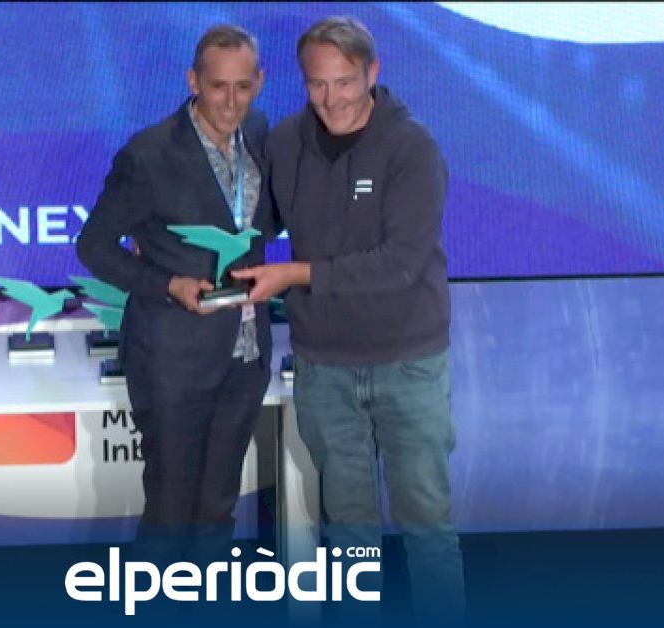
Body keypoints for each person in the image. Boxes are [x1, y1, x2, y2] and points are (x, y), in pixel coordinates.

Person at [232, 15, 465, 624]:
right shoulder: (286, 142)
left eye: (344, 82)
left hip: (407, 363)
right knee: (348, 531)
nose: (331, 98)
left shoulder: (412, 149)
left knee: (426, 524)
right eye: (317, 84)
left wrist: (296, 274)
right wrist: (179, 250)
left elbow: (400, 263)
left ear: (372, 74)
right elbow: (255, 227)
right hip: (325, 366)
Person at [75, 24, 275, 571]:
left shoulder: (261, 135)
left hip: (245, 356)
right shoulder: (149, 155)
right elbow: (93, 246)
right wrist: (167, 284)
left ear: (258, 83)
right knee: (170, 513)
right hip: (172, 362)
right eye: (217, 87)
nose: (230, 102)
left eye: (242, 86)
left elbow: (262, 224)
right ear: (193, 81)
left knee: (217, 513)